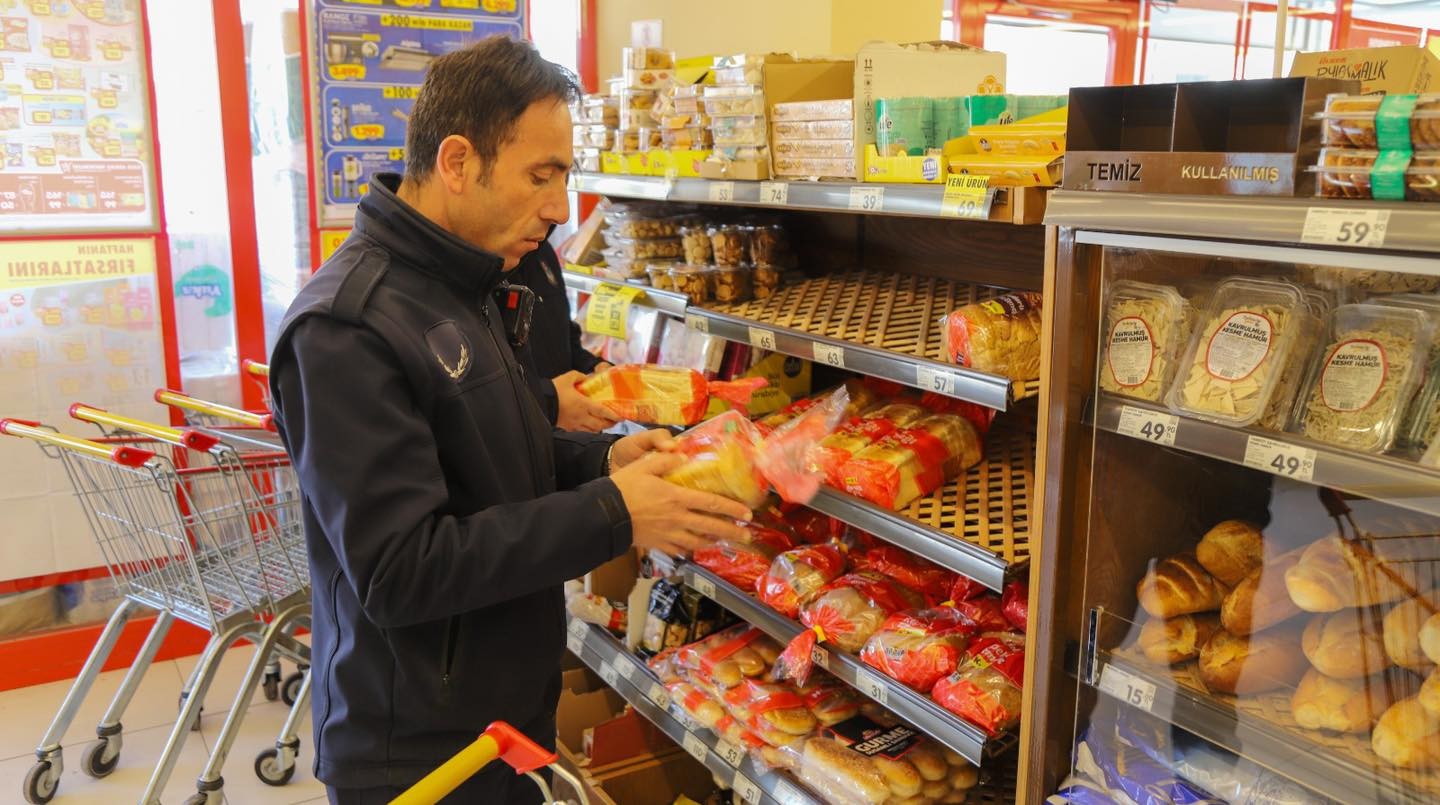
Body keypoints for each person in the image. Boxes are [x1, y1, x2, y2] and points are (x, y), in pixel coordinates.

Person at [267, 37, 752, 804]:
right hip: (419, 750)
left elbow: (489, 454)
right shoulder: (346, 329)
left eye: (564, 176)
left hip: (502, 715)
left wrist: (604, 463)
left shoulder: (469, 282)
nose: (559, 208)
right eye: (541, 175)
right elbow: (400, 570)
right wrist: (612, 512)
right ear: (458, 162)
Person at [513, 237, 621, 432]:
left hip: (568, 432)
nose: (561, 220)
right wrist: (551, 401)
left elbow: (565, 337)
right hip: (527, 429)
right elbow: (489, 395)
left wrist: (594, 366)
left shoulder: (543, 251)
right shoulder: (489, 270)